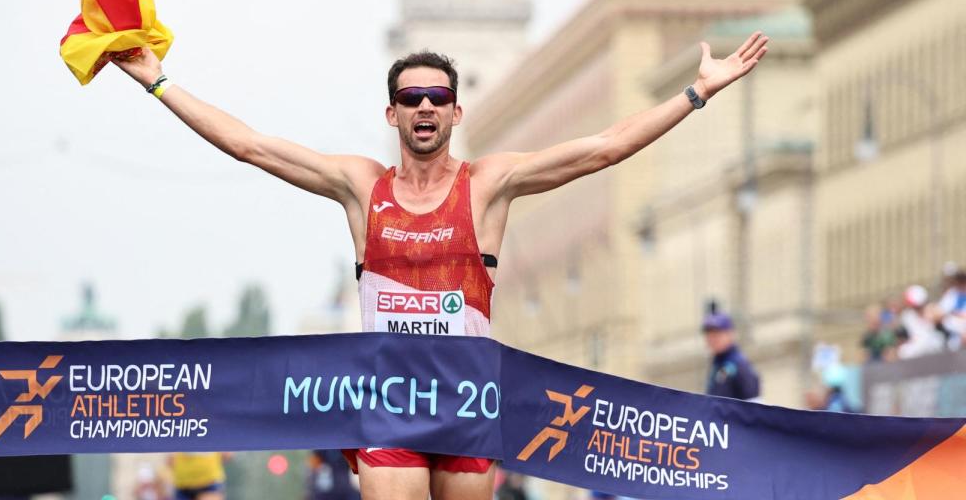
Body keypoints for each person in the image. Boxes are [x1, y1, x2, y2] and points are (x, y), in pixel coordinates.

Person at [113, 31, 768, 500]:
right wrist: (159, 82)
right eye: (411, 97)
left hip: (467, 402)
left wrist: (695, 94)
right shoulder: (358, 185)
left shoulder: (488, 186)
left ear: (455, 112)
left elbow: (601, 150)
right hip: (389, 404)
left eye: (437, 96)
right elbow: (250, 146)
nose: (424, 106)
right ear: (391, 112)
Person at [702, 310, 760, 401]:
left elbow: (754, 402)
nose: (712, 339)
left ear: (730, 334)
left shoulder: (739, 364)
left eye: (717, 335)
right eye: (709, 335)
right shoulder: (717, 362)